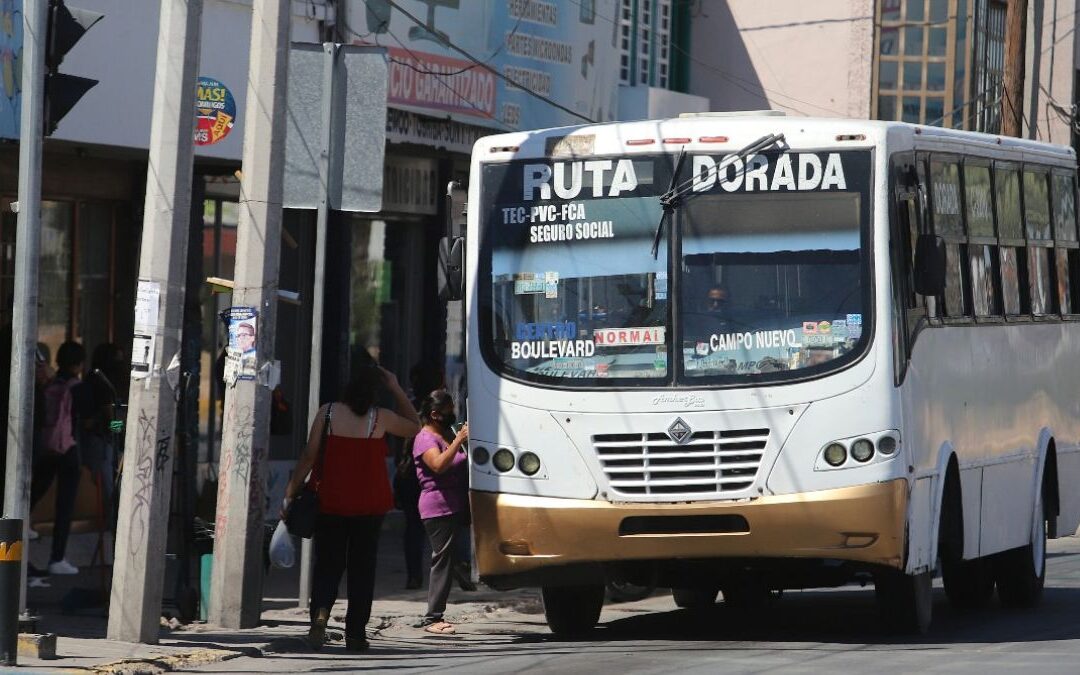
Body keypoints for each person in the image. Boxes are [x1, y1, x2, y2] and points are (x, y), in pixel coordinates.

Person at [284, 365, 420, 652]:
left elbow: (309, 456)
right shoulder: (379, 417)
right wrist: (396, 387)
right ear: (374, 392)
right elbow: (415, 426)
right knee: (362, 570)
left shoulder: (328, 413)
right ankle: (356, 634)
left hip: (331, 502)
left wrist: (291, 491)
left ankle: (320, 614)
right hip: (370, 506)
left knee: (328, 566)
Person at [412, 390, 470, 635]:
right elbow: (438, 465)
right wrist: (458, 441)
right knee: (442, 560)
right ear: (435, 414)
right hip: (438, 507)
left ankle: (464, 574)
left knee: (452, 557)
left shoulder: (445, 433)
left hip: (457, 504)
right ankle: (433, 616)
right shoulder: (425, 438)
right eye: (447, 411)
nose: (452, 415)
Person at [30, 341, 87, 575]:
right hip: (69, 451)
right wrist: (117, 426)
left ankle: (22, 524)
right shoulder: (79, 389)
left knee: (34, 490)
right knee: (64, 506)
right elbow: (95, 421)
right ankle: (57, 558)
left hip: (46, 447)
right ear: (80, 364)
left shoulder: (50, 385)